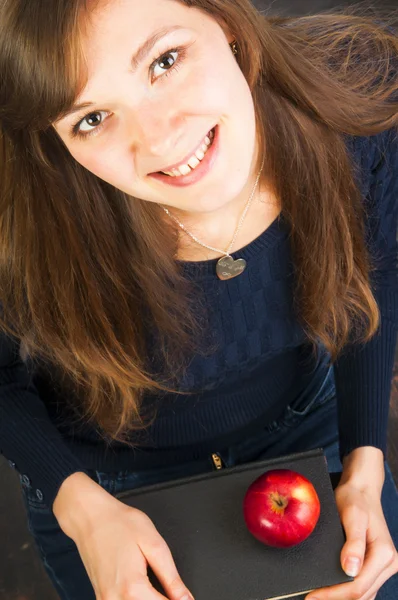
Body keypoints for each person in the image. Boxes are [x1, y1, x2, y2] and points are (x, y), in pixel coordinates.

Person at [0, 0, 397, 598]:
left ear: (228, 23)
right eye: (90, 118)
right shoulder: (19, 219)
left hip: (305, 425)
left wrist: (366, 459)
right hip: (104, 486)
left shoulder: (357, 100)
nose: (159, 139)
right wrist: (81, 509)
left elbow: (374, 269)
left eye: (165, 60)